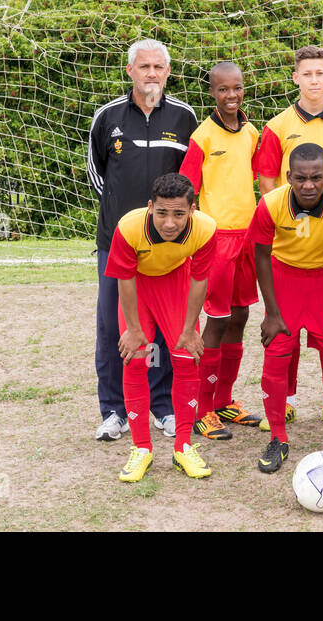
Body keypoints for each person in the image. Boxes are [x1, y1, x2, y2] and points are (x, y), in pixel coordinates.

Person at [88, 39, 197, 442]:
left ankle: (162, 406)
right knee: (112, 327)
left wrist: (167, 223)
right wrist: (127, 220)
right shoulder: (108, 117)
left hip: (169, 247)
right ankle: (114, 410)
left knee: (167, 328)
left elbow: (189, 180)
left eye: (159, 67)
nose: (151, 73)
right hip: (117, 244)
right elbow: (98, 175)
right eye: (144, 66)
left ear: (168, 72)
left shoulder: (185, 117)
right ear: (130, 70)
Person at [255, 45, 323, 433]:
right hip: (288, 240)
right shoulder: (278, 125)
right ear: (296, 78)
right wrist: (280, 213)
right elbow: (269, 179)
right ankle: (290, 402)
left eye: (321, 73)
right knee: (286, 336)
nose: (314, 80)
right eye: (307, 74)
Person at [249, 143, 323, 472]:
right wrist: (271, 313)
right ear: (288, 177)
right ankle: (277, 438)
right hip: (285, 282)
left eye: (317, 177)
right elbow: (260, 255)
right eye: (300, 178)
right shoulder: (270, 204)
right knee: (276, 355)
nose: (309, 185)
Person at [104, 173, 216, 482]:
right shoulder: (129, 227)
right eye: (162, 212)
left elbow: (199, 279)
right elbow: (123, 280)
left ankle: (183, 447)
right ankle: (141, 448)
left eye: (179, 213)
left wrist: (191, 328)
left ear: (191, 210)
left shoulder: (205, 229)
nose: (169, 222)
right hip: (137, 288)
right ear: (150, 206)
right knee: (136, 357)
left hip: (175, 285)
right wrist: (134, 330)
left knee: (186, 356)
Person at [178, 61, 263, 438]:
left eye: (237, 88)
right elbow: (186, 191)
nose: (232, 95)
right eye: (223, 89)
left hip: (247, 238)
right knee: (216, 320)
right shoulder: (202, 136)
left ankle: (224, 400)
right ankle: (202, 407)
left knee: (241, 315)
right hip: (216, 239)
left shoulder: (251, 133)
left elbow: (261, 178)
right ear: (211, 92)